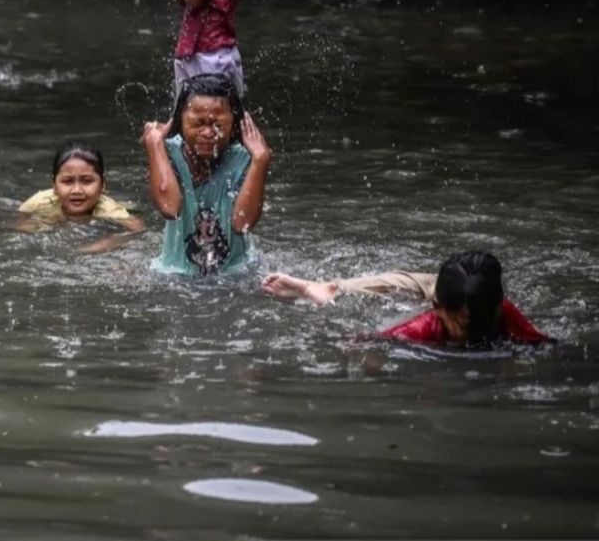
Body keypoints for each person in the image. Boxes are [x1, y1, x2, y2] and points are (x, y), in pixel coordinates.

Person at [261, 252, 551, 347]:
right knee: (394, 285)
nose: (476, 335)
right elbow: (368, 343)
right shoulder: (423, 326)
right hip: (437, 286)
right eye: (465, 328)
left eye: (484, 324)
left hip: (466, 285)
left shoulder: (499, 309)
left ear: (498, 309)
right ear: (438, 309)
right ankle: (325, 289)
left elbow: (543, 344)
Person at [141, 73, 270, 276]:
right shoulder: (168, 153)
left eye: (217, 125)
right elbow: (170, 208)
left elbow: (242, 224)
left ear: (234, 124)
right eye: (198, 124)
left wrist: (261, 160)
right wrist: (154, 145)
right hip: (173, 275)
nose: (208, 133)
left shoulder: (246, 158)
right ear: (180, 123)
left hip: (235, 276)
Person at [18, 143, 145, 254]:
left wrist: (100, 246)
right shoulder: (40, 202)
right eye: (67, 181)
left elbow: (138, 230)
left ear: (103, 185)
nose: (77, 190)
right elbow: (21, 221)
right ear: (54, 186)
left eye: (87, 181)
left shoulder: (109, 210)